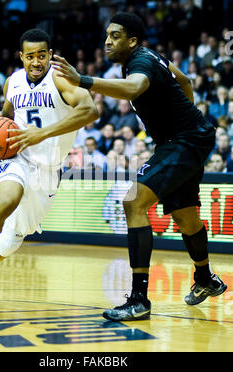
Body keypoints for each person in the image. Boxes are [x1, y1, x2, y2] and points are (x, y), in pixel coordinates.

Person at [50, 12, 227, 321]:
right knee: (185, 217)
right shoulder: (150, 57)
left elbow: (133, 88)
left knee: (133, 202)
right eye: (107, 35)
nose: (107, 40)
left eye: (115, 35)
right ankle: (206, 279)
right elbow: (183, 81)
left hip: (185, 141)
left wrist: (84, 81)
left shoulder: (140, 63)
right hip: (189, 137)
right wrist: (185, 117)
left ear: (132, 41)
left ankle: (139, 300)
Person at [0, 29, 98, 305]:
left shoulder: (60, 79)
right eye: (30, 56)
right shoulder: (12, 82)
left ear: (50, 55)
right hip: (15, 156)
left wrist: (42, 134)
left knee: (14, 236)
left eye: (42, 55)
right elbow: (6, 116)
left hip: (48, 170)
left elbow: (90, 111)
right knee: (8, 199)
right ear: (21, 57)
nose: (36, 62)